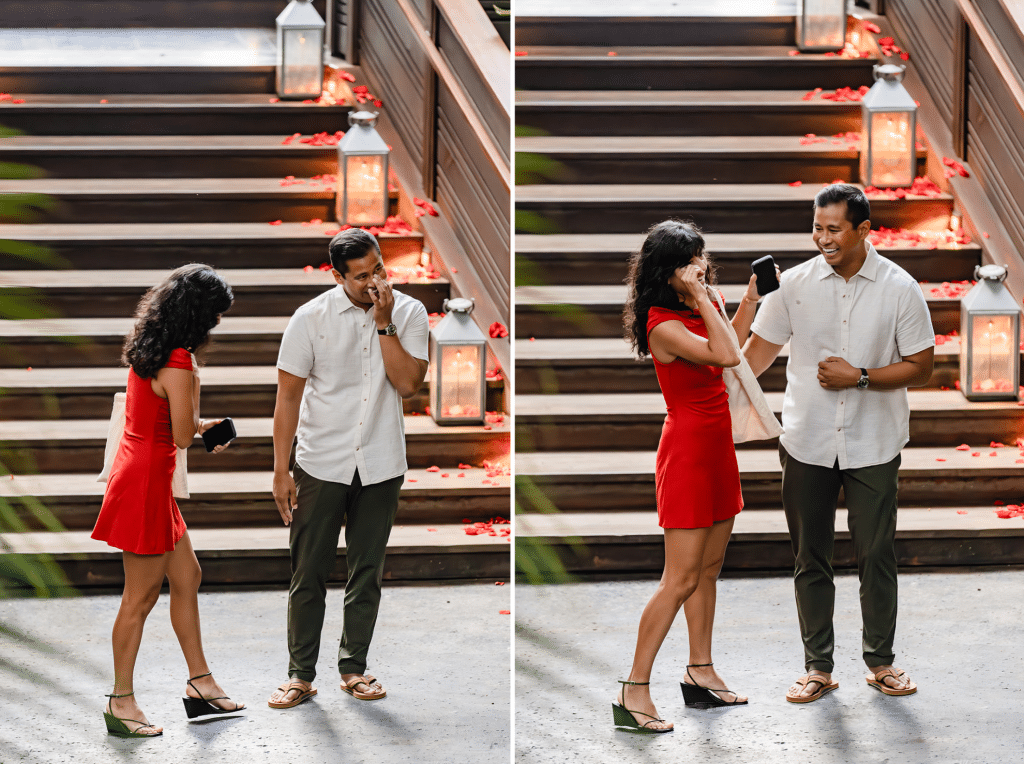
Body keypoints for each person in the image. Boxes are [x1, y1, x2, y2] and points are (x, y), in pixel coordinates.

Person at [744, 184, 934, 702]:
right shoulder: (792, 286)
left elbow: (922, 366)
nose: (822, 238)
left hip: (874, 442)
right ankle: (818, 667)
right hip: (806, 440)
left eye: (833, 229)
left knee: (877, 553)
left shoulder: (900, 287)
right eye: (817, 227)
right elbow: (754, 359)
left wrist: (861, 377)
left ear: (863, 230)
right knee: (810, 556)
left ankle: (881, 662)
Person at [614, 219, 770, 733]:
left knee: (708, 569)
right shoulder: (662, 324)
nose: (700, 267)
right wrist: (704, 298)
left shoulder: (698, 308)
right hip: (687, 455)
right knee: (678, 578)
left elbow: (731, 350)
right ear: (667, 272)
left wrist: (747, 300)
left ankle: (700, 671)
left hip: (717, 450)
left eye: (701, 256)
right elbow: (725, 354)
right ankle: (633, 689)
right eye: (688, 261)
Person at [267, 228, 429, 709]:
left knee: (367, 570)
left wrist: (384, 323)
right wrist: (280, 470)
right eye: (361, 276)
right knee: (308, 571)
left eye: (379, 269)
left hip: (381, 461)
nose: (375, 282)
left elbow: (408, 385)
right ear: (337, 276)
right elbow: (287, 398)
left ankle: (354, 668)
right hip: (320, 462)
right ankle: (300, 674)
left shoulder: (409, 312)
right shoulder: (309, 319)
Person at [91, 264, 244, 737]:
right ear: (198, 315)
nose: (217, 323)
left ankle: (200, 683)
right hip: (145, 485)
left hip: (142, 475)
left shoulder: (149, 348)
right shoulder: (179, 360)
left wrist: (201, 421)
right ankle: (120, 702)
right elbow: (180, 436)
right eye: (215, 314)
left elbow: (162, 418)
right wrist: (195, 386)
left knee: (187, 575)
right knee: (138, 600)